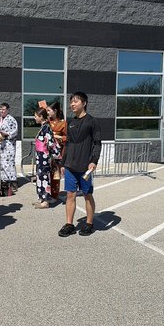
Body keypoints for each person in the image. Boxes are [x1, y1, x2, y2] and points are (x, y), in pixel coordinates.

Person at [59, 91, 101, 237]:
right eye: (71, 101)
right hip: (70, 165)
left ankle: (89, 224)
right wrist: (63, 163)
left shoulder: (92, 121)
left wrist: (93, 161)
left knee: (87, 195)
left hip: (85, 167)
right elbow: (68, 144)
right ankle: (69, 224)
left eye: (76, 101)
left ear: (84, 103)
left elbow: (97, 143)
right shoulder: (70, 122)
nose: (72, 104)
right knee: (70, 195)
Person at [32, 108, 60, 209]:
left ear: (41, 117)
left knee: (44, 177)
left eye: (36, 116)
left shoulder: (46, 127)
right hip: (40, 157)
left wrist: (55, 155)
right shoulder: (44, 127)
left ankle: (46, 201)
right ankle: (42, 198)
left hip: (44, 156)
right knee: (40, 177)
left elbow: (51, 143)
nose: (34, 118)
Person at [0, 103, 19, 196]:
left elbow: (14, 131)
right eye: (0, 109)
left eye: (4, 109)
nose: (2, 111)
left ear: (8, 110)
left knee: (8, 163)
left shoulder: (11, 120)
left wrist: (5, 134)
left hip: (8, 145)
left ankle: (11, 183)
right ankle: (1, 181)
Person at [48, 101, 67, 198]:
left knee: (55, 175)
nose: (47, 112)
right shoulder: (48, 122)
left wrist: (59, 137)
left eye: (49, 110)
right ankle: (46, 194)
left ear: (55, 111)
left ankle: (54, 195)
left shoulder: (63, 123)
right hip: (47, 152)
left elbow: (67, 138)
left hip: (57, 153)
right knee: (46, 174)